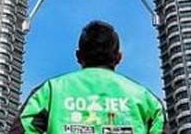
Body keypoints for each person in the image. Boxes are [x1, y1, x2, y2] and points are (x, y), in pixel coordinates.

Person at [9, 21, 168, 134]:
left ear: (78, 56)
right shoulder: (146, 99)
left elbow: (22, 128)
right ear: (118, 57)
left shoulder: (50, 91)